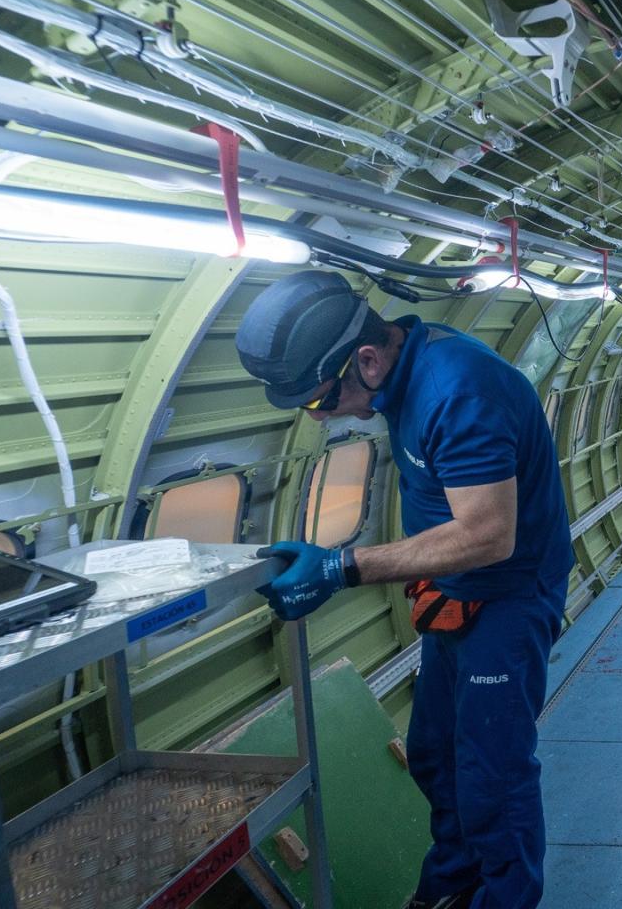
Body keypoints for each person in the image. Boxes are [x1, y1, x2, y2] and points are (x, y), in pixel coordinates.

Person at [234, 270, 573, 909]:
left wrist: (341, 567)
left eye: (319, 401)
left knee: (492, 778)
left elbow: (489, 535)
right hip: (454, 595)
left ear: (365, 358)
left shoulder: (456, 389)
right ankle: (451, 884)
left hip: (508, 596)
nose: (324, 416)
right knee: (436, 757)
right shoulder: (401, 379)